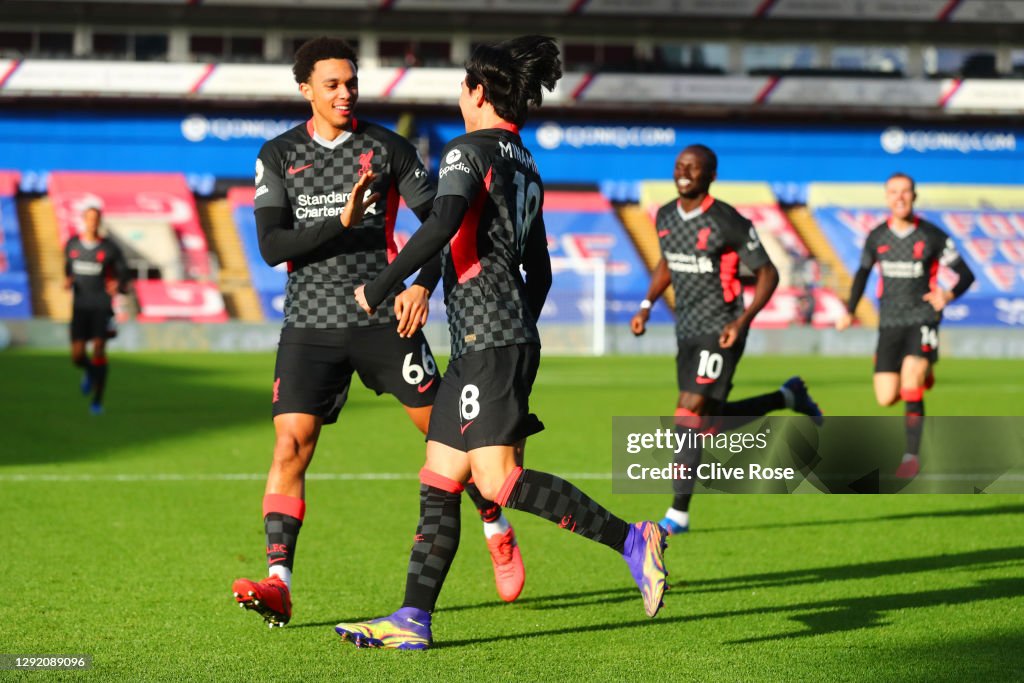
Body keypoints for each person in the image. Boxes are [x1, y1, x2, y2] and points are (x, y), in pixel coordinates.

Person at [334, 35, 668, 651]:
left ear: (479, 93)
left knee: (498, 481)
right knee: (440, 477)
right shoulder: (526, 165)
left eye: (463, 88)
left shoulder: (467, 151)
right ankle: (412, 620)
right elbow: (538, 270)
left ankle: (631, 538)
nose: (460, 98)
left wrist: (382, 286)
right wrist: (517, 330)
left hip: (489, 341)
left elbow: (441, 220)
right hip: (489, 341)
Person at [230, 37, 525, 629]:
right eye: (332, 84)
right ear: (305, 89)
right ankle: (280, 582)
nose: (345, 93)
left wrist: (419, 286)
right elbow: (270, 247)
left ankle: (496, 525)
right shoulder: (278, 155)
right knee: (290, 445)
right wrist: (337, 222)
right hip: (308, 325)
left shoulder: (388, 148)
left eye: (351, 82)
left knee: (454, 440)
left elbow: (445, 226)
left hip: (384, 322)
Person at [631, 144, 823, 536]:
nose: (684, 172)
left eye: (694, 167)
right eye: (680, 166)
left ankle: (677, 515)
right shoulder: (666, 215)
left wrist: (743, 319)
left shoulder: (727, 220)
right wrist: (647, 304)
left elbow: (768, 273)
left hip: (721, 329)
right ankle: (787, 397)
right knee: (708, 424)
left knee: (689, 412)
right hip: (687, 329)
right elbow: (668, 260)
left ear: (711, 175)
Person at [836, 172, 974, 478]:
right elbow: (861, 275)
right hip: (890, 322)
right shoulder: (876, 237)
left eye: (906, 192)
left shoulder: (933, 236)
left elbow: (966, 274)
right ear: (887, 197)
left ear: (914, 196)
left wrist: (947, 294)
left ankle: (911, 456)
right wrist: (849, 310)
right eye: (894, 192)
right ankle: (923, 371)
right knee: (886, 397)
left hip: (922, 317)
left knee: (911, 381)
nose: (900, 197)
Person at [64, 200, 130, 416]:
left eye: (96, 219)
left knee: (99, 349)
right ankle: (91, 372)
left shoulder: (109, 248)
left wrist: (118, 285)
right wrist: (67, 281)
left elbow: (124, 273)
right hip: (80, 306)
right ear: (83, 220)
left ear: (99, 221)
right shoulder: (72, 245)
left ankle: (97, 401)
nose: (92, 223)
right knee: (77, 356)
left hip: (101, 305)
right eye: (89, 219)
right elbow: (68, 270)